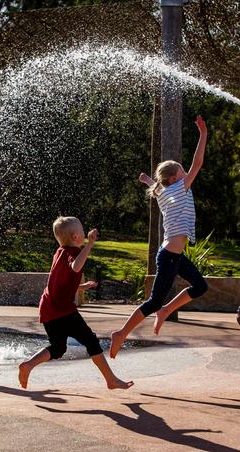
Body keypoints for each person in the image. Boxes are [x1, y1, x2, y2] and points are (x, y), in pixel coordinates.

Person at [110, 115, 209, 358]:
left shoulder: (164, 191)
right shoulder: (180, 186)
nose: (187, 172)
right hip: (168, 257)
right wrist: (203, 134)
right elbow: (198, 163)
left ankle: (165, 311)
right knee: (153, 301)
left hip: (174, 256)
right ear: (176, 178)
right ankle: (121, 334)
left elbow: (157, 184)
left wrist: (147, 179)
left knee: (200, 286)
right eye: (182, 170)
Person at [19, 216, 133, 390]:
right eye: (82, 231)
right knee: (91, 342)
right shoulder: (73, 253)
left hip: (49, 308)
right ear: (75, 237)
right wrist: (90, 245)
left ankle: (28, 365)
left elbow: (60, 282)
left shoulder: (59, 252)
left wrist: (80, 287)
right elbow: (75, 268)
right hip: (63, 311)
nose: (84, 233)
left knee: (57, 348)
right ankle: (111, 380)